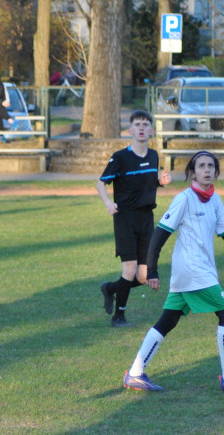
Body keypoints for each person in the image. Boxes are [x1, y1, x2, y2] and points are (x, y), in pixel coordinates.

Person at [123, 151, 224, 392]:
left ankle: (136, 373)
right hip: (193, 271)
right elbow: (160, 234)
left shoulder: (215, 200)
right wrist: (152, 270)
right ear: (192, 172)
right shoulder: (184, 199)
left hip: (196, 273)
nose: (207, 169)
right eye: (201, 166)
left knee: (167, 321)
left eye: (211, 166)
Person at [96, 110, 171, 327]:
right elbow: (101, 183)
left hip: (146, 218)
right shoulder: (120, 158)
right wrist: (109, 204)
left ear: (151, 130)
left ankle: (110, 289)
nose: (141, 128)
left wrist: (160, 181)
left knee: (142, 277)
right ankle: (119, 316)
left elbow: (146, 182)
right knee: (129, 270)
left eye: (145, 125)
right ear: (130, 130)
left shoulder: (153, 156)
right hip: (125, 218)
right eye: (137, 124)